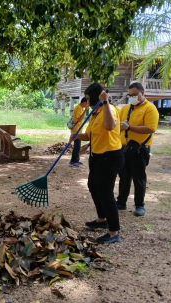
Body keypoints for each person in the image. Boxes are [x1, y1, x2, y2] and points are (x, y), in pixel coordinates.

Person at [72, 83, 124, 244]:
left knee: (105, 193)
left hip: (110, 157)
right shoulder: (95, 113)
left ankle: (114, 232)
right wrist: (77, 136)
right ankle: (102, 219)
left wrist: (106, 102)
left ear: (96, 97)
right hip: (97, 156)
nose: (87, 102)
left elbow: (110, 126)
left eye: (89, 98)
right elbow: (89, 135)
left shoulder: (110, 110)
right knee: (93, 186)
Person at [117, 82, 159, 217]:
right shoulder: (126, 108)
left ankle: (139, 205)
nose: (132, 97)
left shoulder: (150, 109)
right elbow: (118, 124)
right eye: (130, 95)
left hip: (139, 149)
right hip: (124, 148)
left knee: (139, 178)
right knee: (124, 176)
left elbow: (150, 128)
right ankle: (121, 202)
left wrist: (129, 128)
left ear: (142, 93)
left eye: (135, 95)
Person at [69, 97, 88, 167]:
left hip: (79, 129)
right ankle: (73, 161)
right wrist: (85, 110)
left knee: (78, 145)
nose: (87, 105)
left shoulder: (80, 108)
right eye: (87, 103)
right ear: (84, 102)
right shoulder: (78, 108)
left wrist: (84, 110)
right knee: (77, 146)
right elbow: (80, 119)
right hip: (76, 130)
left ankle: (76, 160)